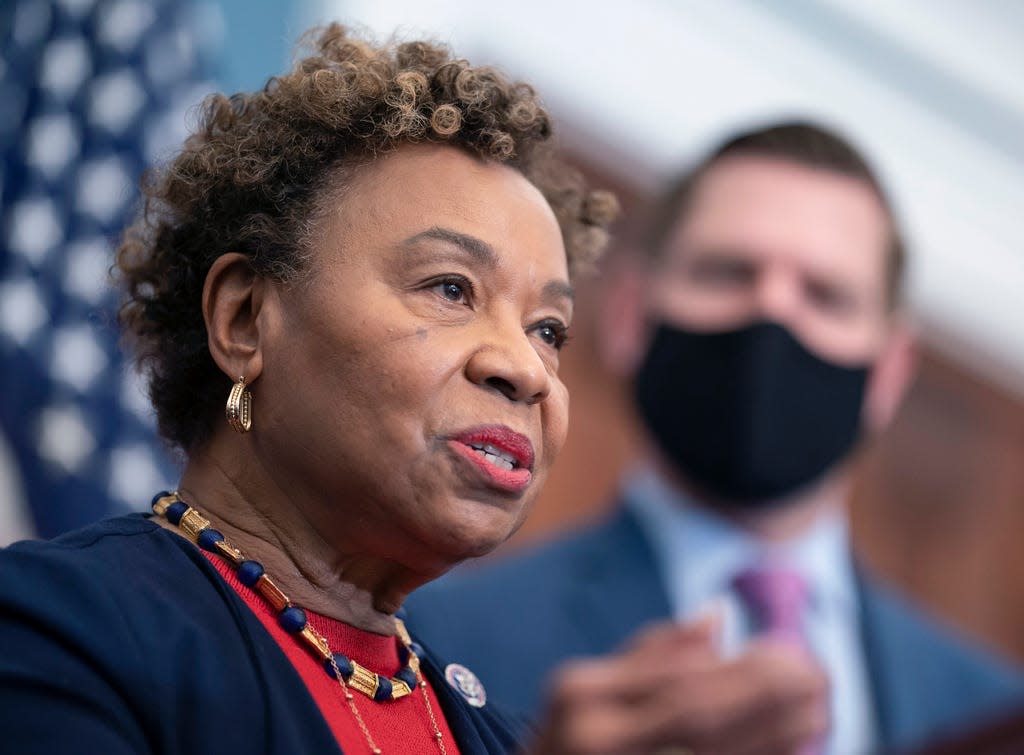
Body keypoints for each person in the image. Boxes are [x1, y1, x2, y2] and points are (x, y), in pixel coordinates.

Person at [0, 23, 645, 754]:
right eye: (451, 288)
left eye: (548, 330)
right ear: (244, 318)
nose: (527, 370)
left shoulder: (491, 735)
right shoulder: (56, 626)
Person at [406, 122, 1024, 753]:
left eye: (826, 295)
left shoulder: (994, 712)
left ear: (889, 372)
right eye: (728, 273)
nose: (772, 314)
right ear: (628, 315)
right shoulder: (438, 645)